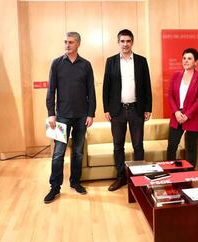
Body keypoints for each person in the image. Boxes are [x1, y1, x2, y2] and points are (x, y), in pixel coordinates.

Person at [44, 32, 96, 203]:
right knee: (58, 154)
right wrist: (50, 113)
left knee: (78, 153)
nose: (67, 45)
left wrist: (91, 113)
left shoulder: (86, 65)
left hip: (82, 117)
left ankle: (75, 182)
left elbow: (91, 92)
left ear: (78, 44)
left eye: (71, 42)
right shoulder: (57, 64)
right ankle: (55, 187)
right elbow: (51, 91)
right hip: (61, 117)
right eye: (65, 42)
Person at [103, 29, 152, 191]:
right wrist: (106, 109)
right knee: (118, 146)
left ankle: (138, 179)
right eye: (122, 41)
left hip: (136, 110)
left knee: (138, 145)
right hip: (117, 111)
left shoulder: (141, 61)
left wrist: (148, 108)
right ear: (118, 43)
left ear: (132, 42)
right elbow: (106, 87)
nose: (125, 44)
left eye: (128, 41)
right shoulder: (111, 61)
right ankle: (121, 177)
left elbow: (146, 85)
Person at [166, 48, 198, 169]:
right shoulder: (176, 75)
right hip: (176, 116)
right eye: (184, 58)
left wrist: (187, 115)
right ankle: (170, 173)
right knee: (172, 146)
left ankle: (189, 176)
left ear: (196, 62)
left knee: (191, 150)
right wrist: (176, 112)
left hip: (192, 118)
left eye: (189, 58)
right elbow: (170, 95)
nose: (186, 61)